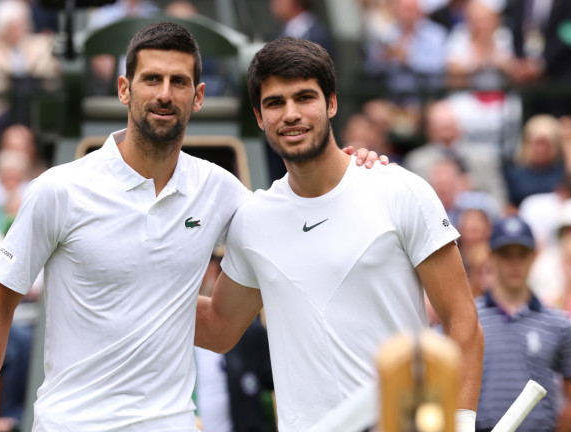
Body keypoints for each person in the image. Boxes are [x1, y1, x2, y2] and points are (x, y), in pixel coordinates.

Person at [0, 22, 385, 432]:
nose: (164, 93)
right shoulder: (59, 189)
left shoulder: (219, 190)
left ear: (197, 97)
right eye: (151, 79)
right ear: (125, 89)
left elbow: (297, 220)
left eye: (178, 82)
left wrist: (350, 169)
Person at [195, 36, 483, 431]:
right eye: (275, 103)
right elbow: (217, 327)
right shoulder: (252, 220)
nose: (290, 114)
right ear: (260, 118)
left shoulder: (400, 190)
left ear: (331, 103)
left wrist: (460, 424)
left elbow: (462, 319)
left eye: (304, 98)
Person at [475, 215, 571, 431]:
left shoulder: (558, 324)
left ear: (534, 256)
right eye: (506, 254)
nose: (514, 263)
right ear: (491, 257)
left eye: (522, 254)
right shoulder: (467, 319)